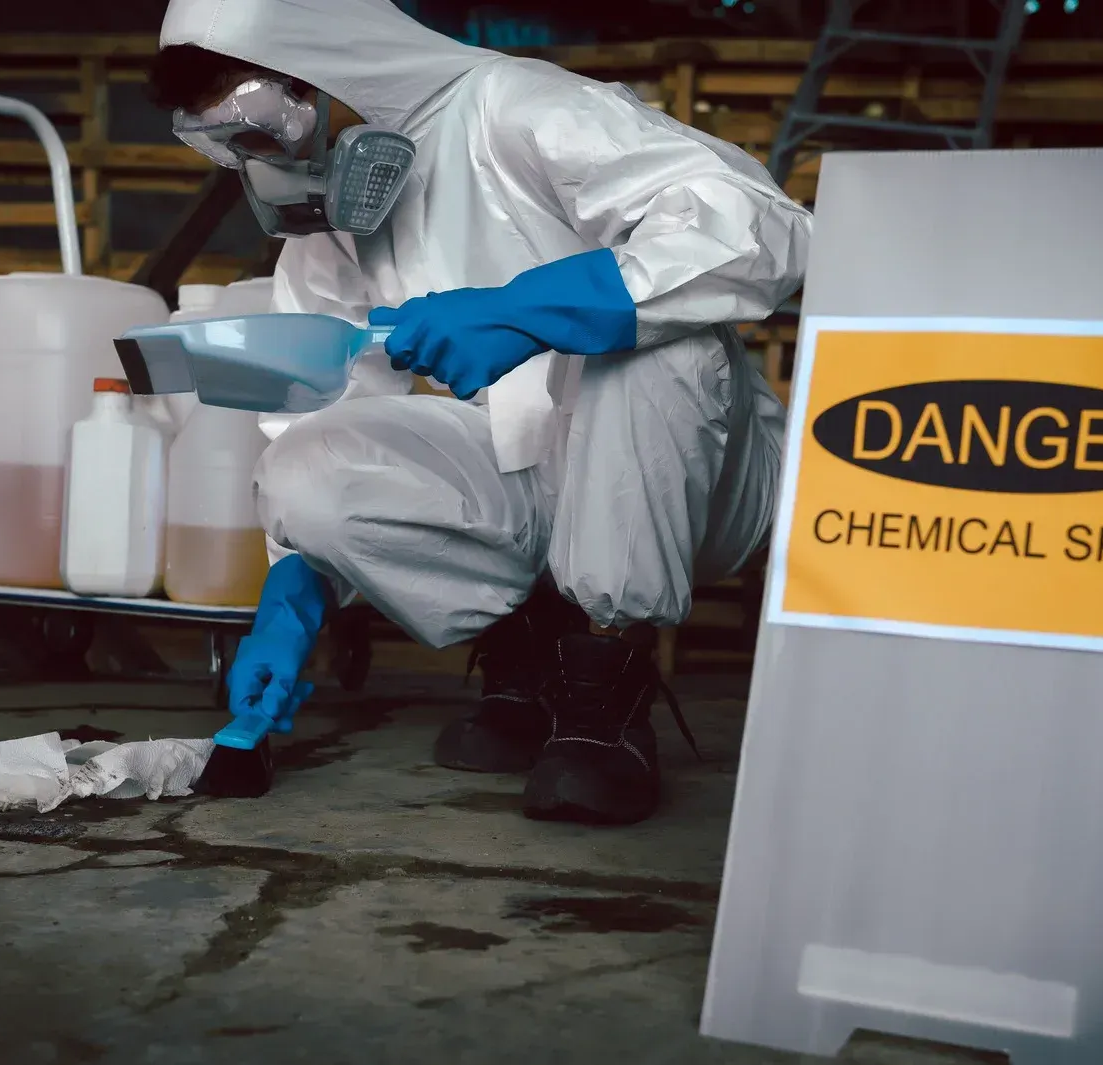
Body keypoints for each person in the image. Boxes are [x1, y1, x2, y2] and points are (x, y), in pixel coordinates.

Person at [148, 0, 811, 825]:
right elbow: (329, 414)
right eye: (230, 146)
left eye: (264, 127)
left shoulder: (517, 109)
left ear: (335, 64)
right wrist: (293, 596)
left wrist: (533, 309)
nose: (268, 162)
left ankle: (607, 695)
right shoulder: (327, 233)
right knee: (307, 463)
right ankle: (533, 654)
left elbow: (767, 229)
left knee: (653, 346)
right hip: (533, 480)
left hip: (699, 480)